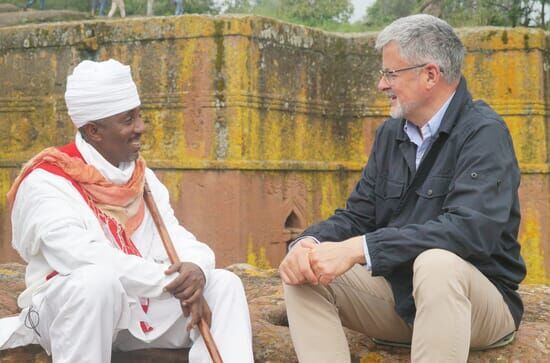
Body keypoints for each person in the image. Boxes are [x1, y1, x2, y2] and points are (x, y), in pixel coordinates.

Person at [279, 14, 526, 363]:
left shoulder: (483, 133)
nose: (382, 84)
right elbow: (359, 213)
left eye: (390, 74)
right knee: (305, 270)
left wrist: (359, 249)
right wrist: (310, 242)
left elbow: (470, 232)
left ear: (430, 75)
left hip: (477, 306)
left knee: (438, 264)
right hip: (402, 298)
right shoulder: (391, 134)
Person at [0, 59, 253, 363]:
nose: (141, 128)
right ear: (94, 131)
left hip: (139, 307)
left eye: (139, 116)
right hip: (73, 312)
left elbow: (175, 235)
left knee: (224, 284)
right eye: (128, 119)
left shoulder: (140, 177)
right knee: (97, 283)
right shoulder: (45, 182)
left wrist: (196, 269)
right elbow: (85, 257)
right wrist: (171, 283)